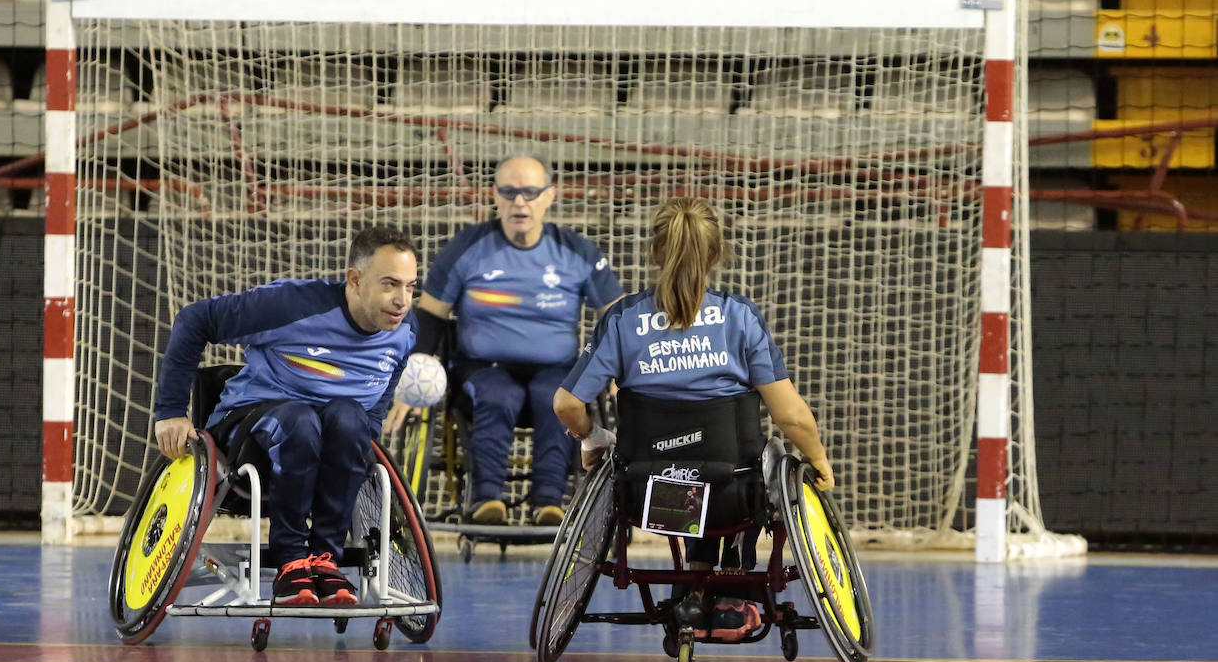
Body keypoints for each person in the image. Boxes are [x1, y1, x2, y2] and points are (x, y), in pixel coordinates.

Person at [553, 197, 834, 576]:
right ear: (717, 253)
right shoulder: (740, 317)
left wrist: (593, 438)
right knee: (756, 456)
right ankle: (733, 568)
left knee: (685, 463)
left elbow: (566, 404)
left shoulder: (622, 320)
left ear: (655, 252)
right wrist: (817, 458)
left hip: (648, 492)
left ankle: (698, 568)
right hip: (733, 495)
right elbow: (792, 418)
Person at [153, 227, 419, 607]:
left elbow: (380, 396)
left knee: (350, 418)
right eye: (391, 284)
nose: (402, 300)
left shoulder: (406, 331)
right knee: (300, 420)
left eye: (411, 287)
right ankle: (291, 557)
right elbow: (195, 320)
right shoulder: (291, 306)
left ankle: (326, 559)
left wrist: (366, 440)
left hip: (327, 446)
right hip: (249, 434)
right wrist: (170, 412)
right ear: (355, 280)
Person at [384, 155, 623, 527]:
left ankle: (549, 503)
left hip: (556, 370)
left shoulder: (577, 252)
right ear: (495, 195)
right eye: (509, 192)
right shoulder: (468, 247)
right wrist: (408, 376)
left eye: (530, 192)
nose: (519, 202)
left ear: (550, 196)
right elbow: (430, 317)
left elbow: (618, 316)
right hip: (482, 370)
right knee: (500, 395)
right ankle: (487, 501)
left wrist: (617, 366)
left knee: (556, 397)